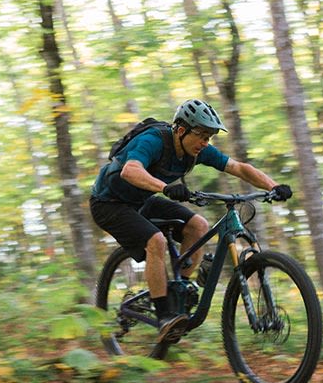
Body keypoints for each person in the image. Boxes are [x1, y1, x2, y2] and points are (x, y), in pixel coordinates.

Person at [90, 99, 292, 344]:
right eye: (201, 135)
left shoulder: (199, 151)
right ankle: (165, 317)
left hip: (141, 200)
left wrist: (273, 186)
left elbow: (238, 168)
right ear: (181, 130)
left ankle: (180, 294)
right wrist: (165, 187)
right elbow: (130, 170)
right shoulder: (153, 141)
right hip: (109, 203)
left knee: (199, 225)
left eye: (209, 137)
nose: (205, 142)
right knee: (155, 241)